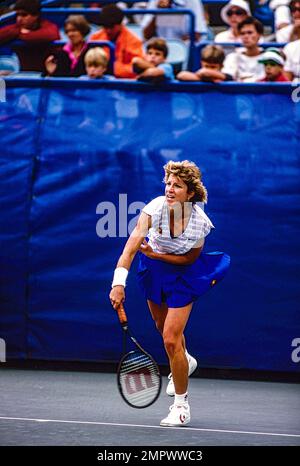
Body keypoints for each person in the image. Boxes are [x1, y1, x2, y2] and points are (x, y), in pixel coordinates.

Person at [109, 160, 230, 427]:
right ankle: (185, 361)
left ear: (190, 193)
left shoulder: (200, 224)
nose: (170, 189)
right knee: (161, 326)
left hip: (183, 275)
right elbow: (131, 246)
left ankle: (181, 405)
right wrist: (119, 282)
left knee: (170, 339)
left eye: (177, 185)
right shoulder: (154, 209)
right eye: (168, 183)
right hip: (153, 269)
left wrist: (158, 253)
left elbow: (189, 260)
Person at [0, 0, 60, 71]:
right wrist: (19, 32)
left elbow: (51, 35)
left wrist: (22, 35)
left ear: (36, 16)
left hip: (48, 73)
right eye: (17, 15)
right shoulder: (16, 28)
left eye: (24, 15)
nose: (19, 19)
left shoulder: (48, 26)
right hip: (24, 73)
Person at [89, 4, 145, 78]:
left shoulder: (134, 41)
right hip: (98, 80)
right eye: (105, 26)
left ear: (120, 24)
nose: (108, 30)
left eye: (111, 27)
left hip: (123, 83)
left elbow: (136, 68)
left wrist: (112, 69)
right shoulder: (95, 38)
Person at [141, 0, 207, 42]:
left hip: (184, 48)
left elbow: (198, 34)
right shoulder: (155, 1)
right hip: (159, 48)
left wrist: (176, 45)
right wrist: (158, 13)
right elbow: (146, 35)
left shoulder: (193, 1)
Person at [222, 16, 265, 82]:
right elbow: (226, 75)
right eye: (242, 33)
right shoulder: (232, 57)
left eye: (250, 33)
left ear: (259, 35)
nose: (245, 36)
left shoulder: (269, 57)